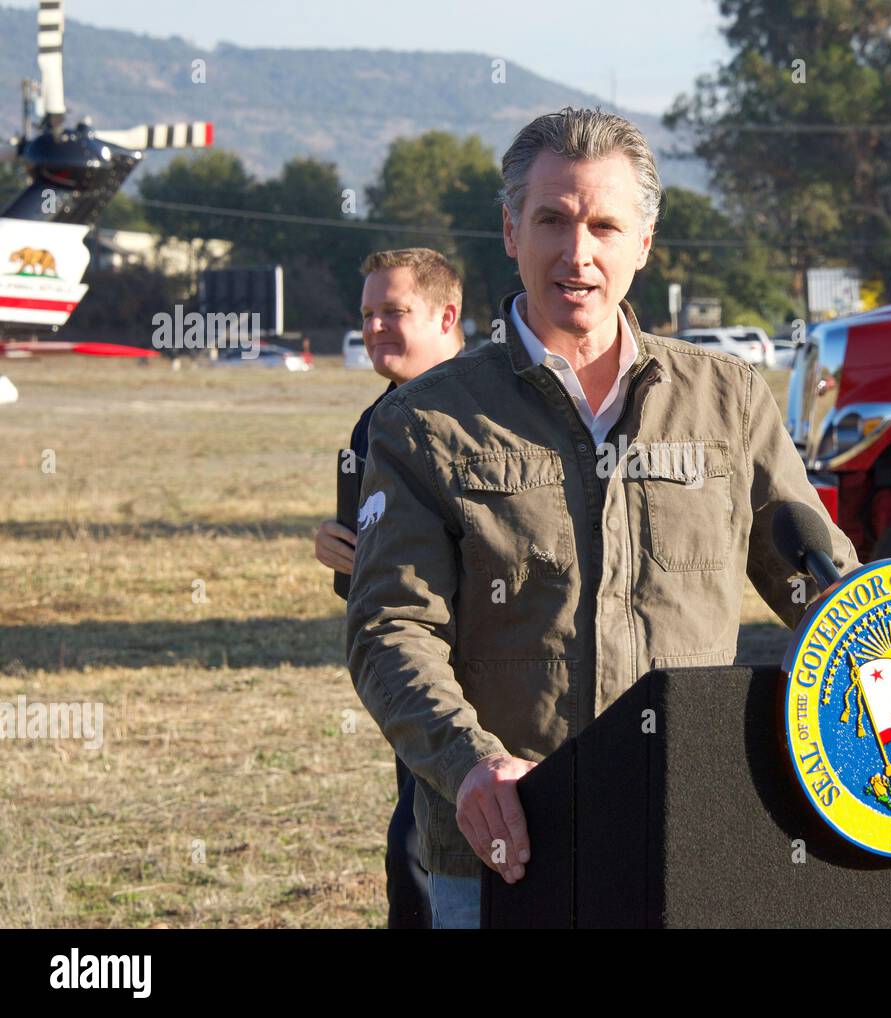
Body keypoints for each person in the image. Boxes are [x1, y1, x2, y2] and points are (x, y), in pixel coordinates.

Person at [346, 107, 860, 929]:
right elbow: (388, 630)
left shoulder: (727, 402)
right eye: (551, 219)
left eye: (604, 225)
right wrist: (471, 768)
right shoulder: (425, 422)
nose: (577, 253)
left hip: (684, 844)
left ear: (644, 243)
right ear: (511, 230)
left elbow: (831, 598)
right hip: (502, 856)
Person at [314, 247, 464, 929]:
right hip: (422, 677)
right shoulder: (370, 428)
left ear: (447, 315)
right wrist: (341, 554)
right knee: (416, 845)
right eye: (368, 313)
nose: (375, 327)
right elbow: (366, 587)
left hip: (511, 666)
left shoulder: (499, 408)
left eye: (394, 311)